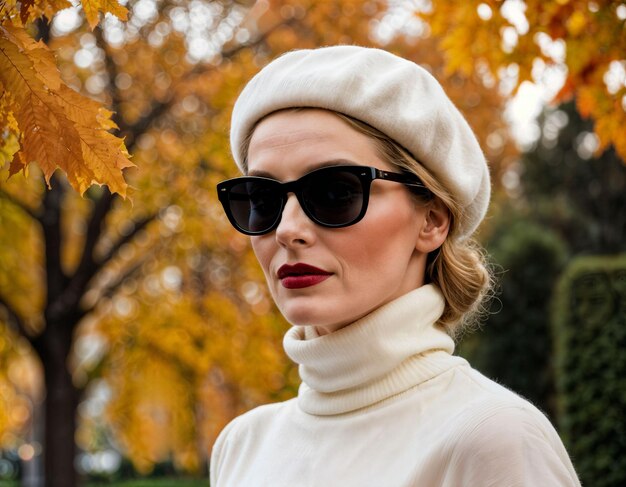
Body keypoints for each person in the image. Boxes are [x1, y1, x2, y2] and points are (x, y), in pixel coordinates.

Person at [211, 45, 581, 487]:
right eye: (262, 199)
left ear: (431, 221)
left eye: (334, 193)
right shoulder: (241, 446)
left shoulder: (492, 440)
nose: (288, 230)